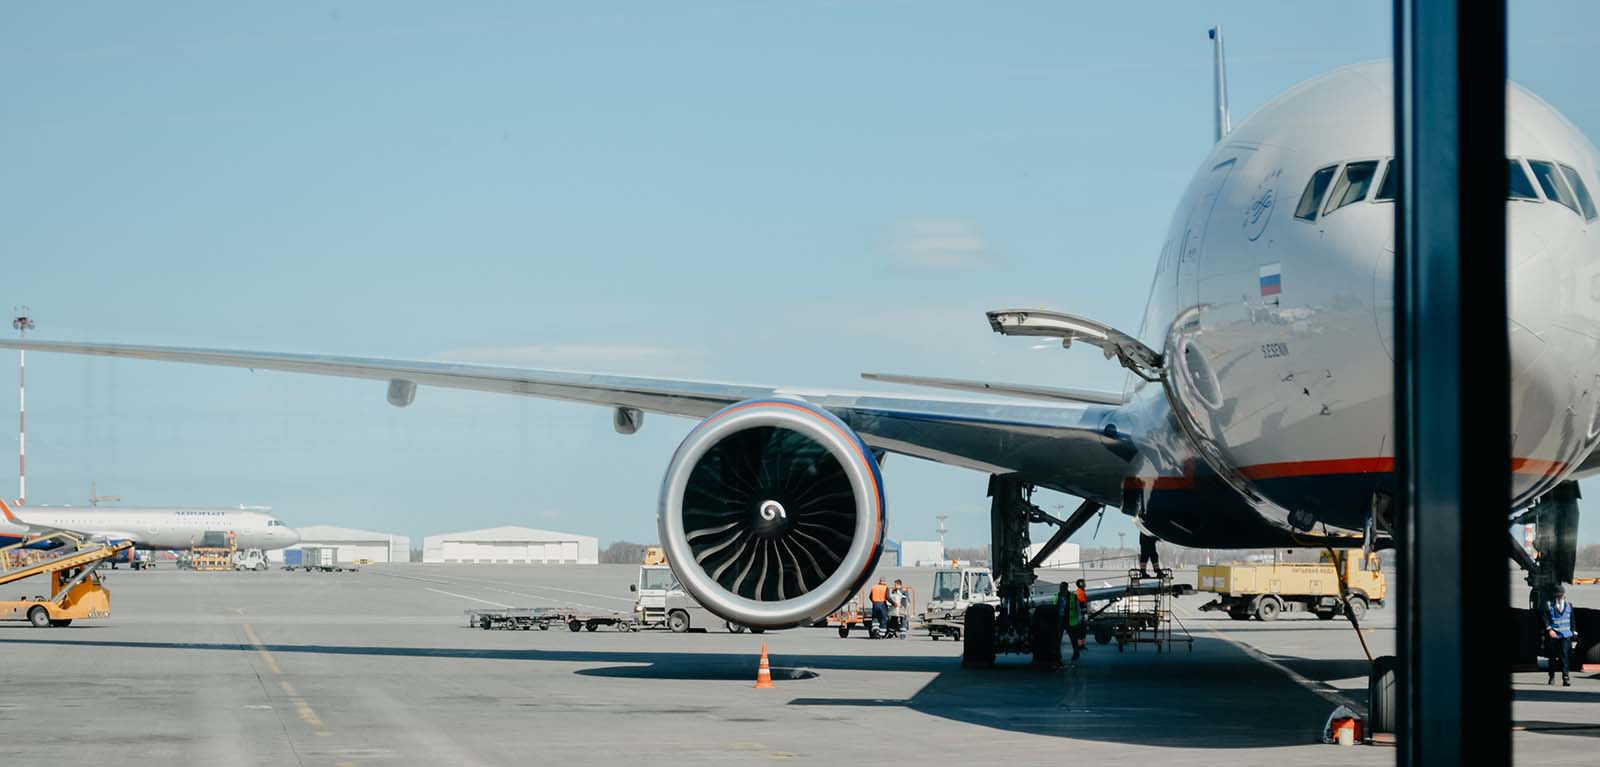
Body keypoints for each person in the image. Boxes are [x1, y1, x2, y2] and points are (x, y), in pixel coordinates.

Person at [1546, 584, 1576, 686]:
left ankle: (1566, 677)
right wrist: (1549, 629)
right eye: (1557, 596)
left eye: (1561, 596)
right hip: (1554, 635)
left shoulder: (1569, 605)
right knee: (1552, 657)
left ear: (1564, 596)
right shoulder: (1549, 605)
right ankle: (1551, 676)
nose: (1559, 598)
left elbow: (1572, 620)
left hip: (1566, 635)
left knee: (1565, 657)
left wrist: (1574, 633)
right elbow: (1545, 619)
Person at [1057, 581, 1083, 663]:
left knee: (1073, 638)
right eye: (1060, 587)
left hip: (1069, 620)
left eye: (1062, 587)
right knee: (1058, 638)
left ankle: (1076, 653)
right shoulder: (1057, 596)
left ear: (1066, 587)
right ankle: (1058, 654)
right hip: (1060, 619)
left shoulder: (1072, 596)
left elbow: (1078, 608)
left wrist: (1079, 618)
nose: (1060, 588)